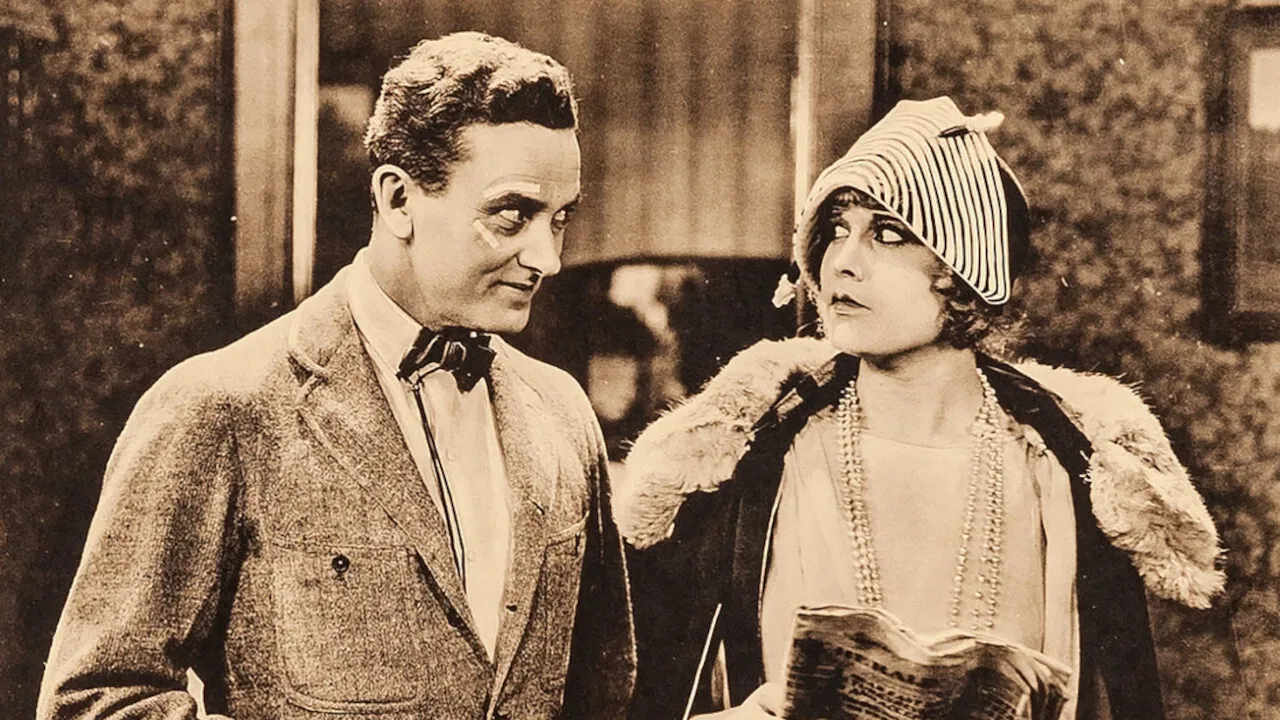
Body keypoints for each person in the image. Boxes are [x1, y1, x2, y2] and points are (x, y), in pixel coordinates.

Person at [38, 31, 634, 720]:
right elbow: (94, 702)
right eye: (512, 216)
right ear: (398, 199)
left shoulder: (562, 414)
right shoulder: (220, 407)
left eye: (559, 220)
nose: (547, 258)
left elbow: (605, 692)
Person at [617, 97, 1223, 720]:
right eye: (836, 231)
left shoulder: (1059, 467)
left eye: (887, 234)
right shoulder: (762, 456)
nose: (842, 262)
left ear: (966, 270)